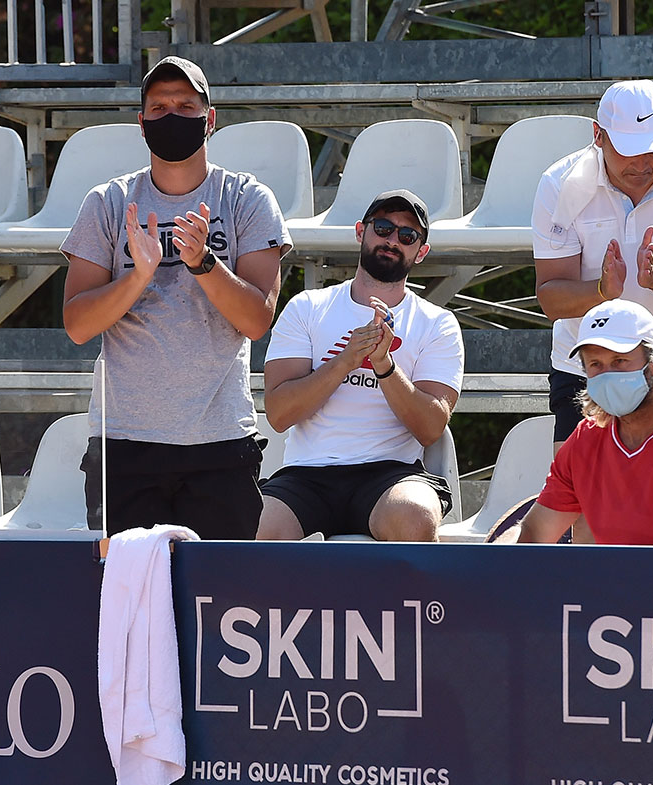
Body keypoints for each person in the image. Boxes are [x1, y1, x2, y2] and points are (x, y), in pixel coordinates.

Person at [61, 56, 291, 539]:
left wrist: (203, 263)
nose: (172, 116)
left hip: (221, 443)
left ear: (210, 120)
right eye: (159, 106)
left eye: (186, 106)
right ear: (141, 124)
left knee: (218, 603)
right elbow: (78, 324)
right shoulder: (107, 202)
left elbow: (256, 319)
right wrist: (136, 277)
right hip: (123, 445)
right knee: (127, 602)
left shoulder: (247, 198)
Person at [532, 79, 653, 448]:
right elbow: (550, 300)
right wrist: (601, 291)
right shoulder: (558, 183)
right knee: (580, 502)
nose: (642, 163)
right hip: (589, 369)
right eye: (628, 150)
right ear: (598, 136)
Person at [257, 189, 462, 542]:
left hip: (391, 475)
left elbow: (430, 428)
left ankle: (405, 601)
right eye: (382, 227)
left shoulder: (437, 323)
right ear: (360, 232)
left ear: (421, 251)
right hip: (307, 474)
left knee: (414, 517)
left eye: (407, 235)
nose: (393, 240)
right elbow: (278, 414)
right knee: (254, 524)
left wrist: (383, 366)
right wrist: (347, 360)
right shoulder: (307, 307)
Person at [517, 299, 653, 546]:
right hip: (606, 583)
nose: (607, 374)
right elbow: (534, 536)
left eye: (619, 361)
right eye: (595, 364)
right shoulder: (584, 438)